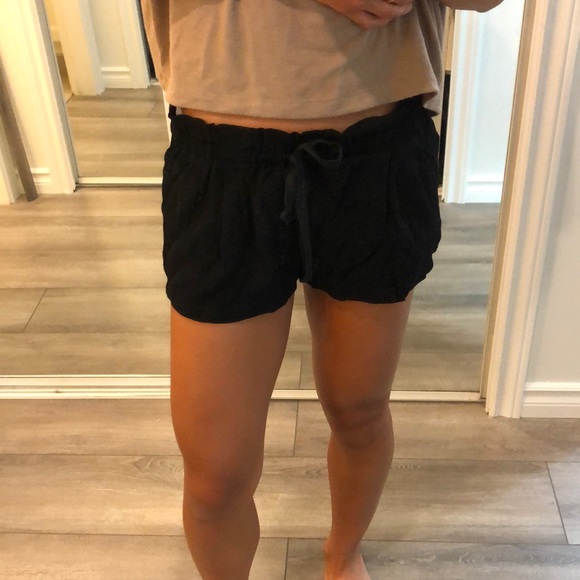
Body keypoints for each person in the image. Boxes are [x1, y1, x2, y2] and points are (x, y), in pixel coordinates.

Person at [141, 1, 504, 578]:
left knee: (359, 410)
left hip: (378, 151)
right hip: (221, 157)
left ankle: (343, 553)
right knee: (215, 475)